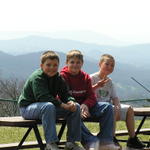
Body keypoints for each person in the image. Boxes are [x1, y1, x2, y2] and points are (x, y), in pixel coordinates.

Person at [18, 51, 84, 150]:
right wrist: (62, 105)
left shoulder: (58, 78)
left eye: (55, 65)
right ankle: (51, 144)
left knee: (76, 107)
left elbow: (65, 94)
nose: (52, 68)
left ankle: (71, 142)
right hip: (27, 108)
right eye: (48, 65)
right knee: (48, 106)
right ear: (41, 65)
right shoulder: (37, 77)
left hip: (47, 108)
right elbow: (42, 97)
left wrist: (71, 101)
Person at [60, 50, 120, 150]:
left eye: (78, 62)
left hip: (86, 106)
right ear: (67, 63)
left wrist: (86, 105)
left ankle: (105, 141)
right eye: (72, 62)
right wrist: (77, 106)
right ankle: (91, 142)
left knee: (108, 107)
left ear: (82, 63)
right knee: (75, 110)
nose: (75, 65)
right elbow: (61, 96)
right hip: (71, 107)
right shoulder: (62, 77)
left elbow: (91, 96)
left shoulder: (85, 77)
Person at [90, 54, 145, 149]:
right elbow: (87, 93)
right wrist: (98, 86)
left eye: (112, 65)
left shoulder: (109, 81)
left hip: (109, 107)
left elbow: (115, 97)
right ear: (100, 64)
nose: (109, 67)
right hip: (97, 108)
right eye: (107, 64)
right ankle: (111, 137)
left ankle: (132, 138)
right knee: (111, 108)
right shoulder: (92, 78)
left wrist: (118, 106)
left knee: (129, 109)